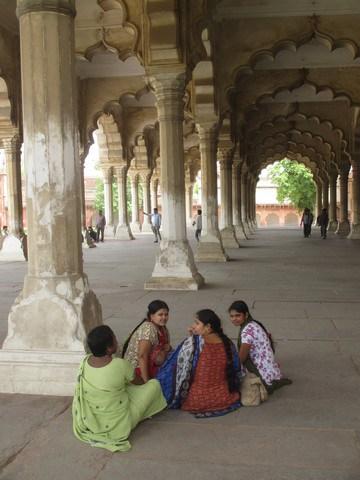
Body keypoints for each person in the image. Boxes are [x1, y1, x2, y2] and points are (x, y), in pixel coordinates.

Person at [72, 325, 167, 452]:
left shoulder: (84, 362)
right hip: (119, 425)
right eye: (115, 339)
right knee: (154, 385)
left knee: (119, 387)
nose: (117, 340)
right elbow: (139, 383)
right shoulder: (120, 364)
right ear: (109, 347)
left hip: (91, 421)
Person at [156, 309, 241, 418]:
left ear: (208, 327)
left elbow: (178, 364)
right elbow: (237, 367)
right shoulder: (227, 343)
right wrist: (193, 336)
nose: (193, 326)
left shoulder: (194, 343)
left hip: (197, 400)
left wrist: (190, 339)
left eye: (197, 323)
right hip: (223, 396)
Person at [228, 300, 292, 394]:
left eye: (238, 315)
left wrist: (228, 370)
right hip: (269, 368)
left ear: (246, 315)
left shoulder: (247, 332)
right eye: (231, 316)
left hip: (262, 372)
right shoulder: (253, 323)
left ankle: (271, 384)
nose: (234, 319)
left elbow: (241, 358)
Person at [123, 300, 171, 382]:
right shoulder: (148, 329)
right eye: (160, 315)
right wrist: (146, 382)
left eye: (166, 315)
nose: (164, 317)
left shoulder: (162, 328)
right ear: (152, 316)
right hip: (138, 370)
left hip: (152, 365)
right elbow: (142, 356)